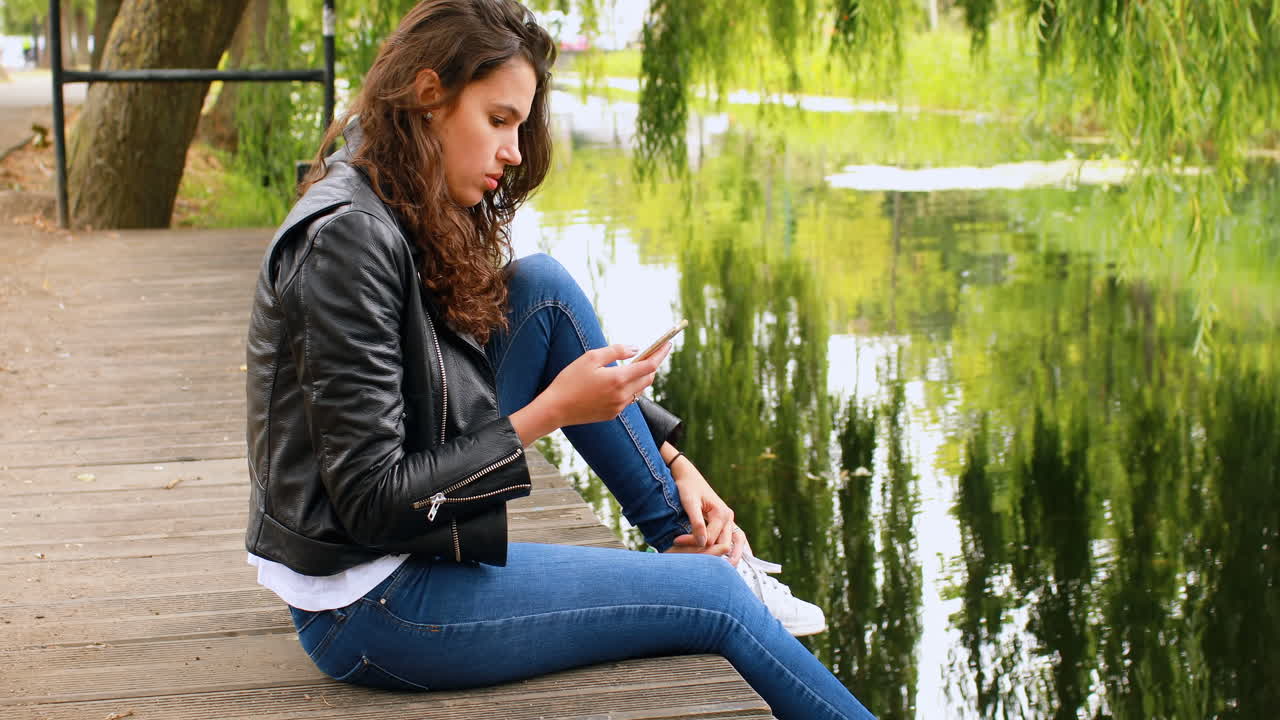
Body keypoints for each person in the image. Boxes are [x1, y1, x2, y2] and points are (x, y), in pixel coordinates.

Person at [244, 2, 875, 718]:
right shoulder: (347, 240)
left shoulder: (387, 180)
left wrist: (669, 459)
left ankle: (692, 536)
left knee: (540, 292)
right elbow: (371, 500)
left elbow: (442, 366)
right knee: (715, 603)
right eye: (499, 120)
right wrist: (548, 415)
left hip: (394, 548)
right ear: (428, 95)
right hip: (368, 604)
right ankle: (720, 579)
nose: (513, 151)